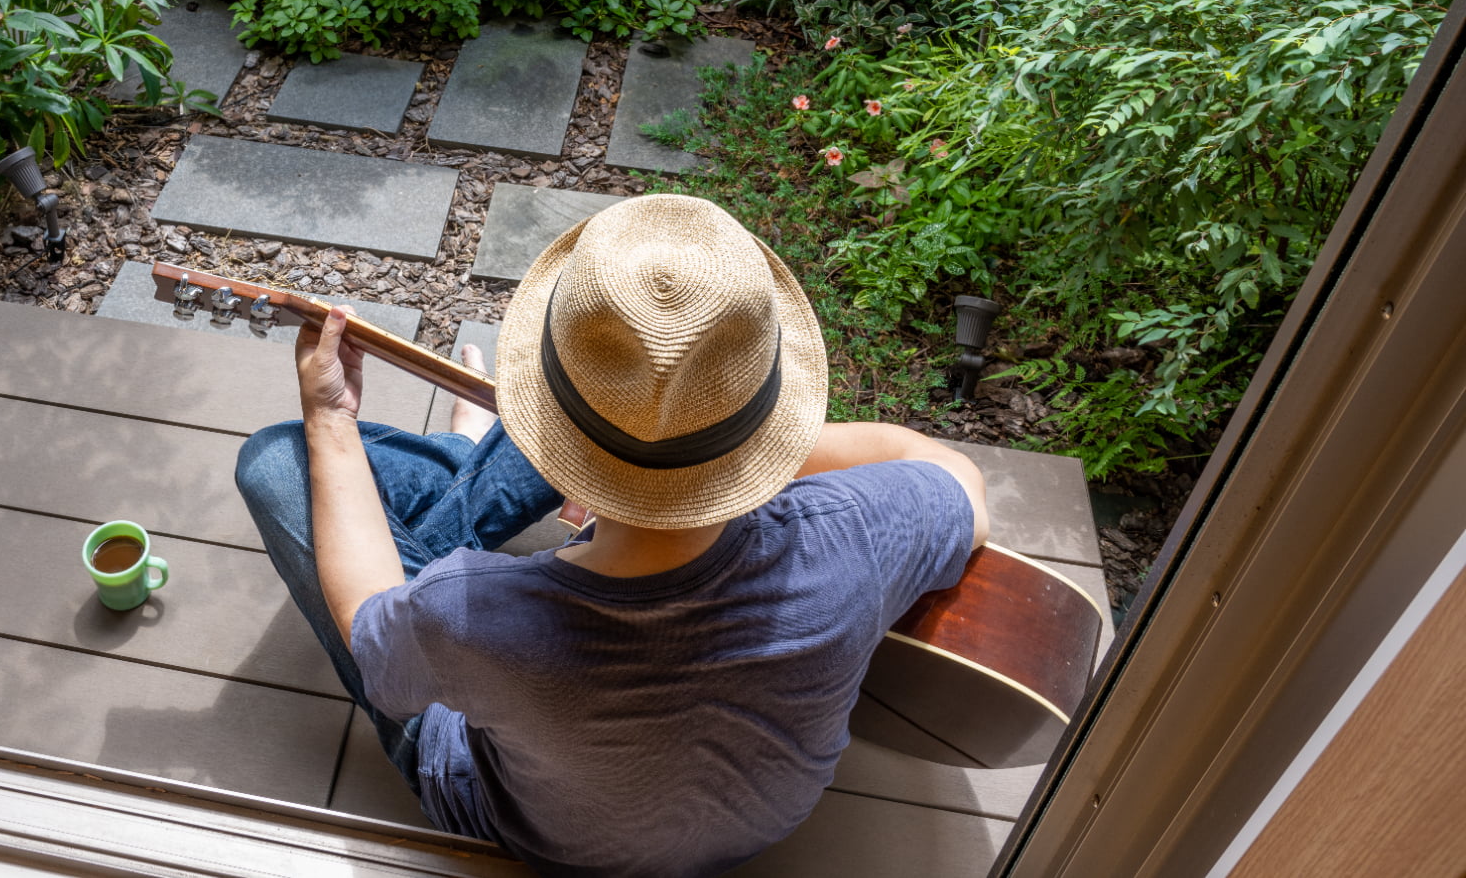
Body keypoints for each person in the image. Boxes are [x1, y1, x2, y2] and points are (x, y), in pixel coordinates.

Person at [235, 194, 989, 878]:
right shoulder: (857, 532)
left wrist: (330, 415)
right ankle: (484, 457)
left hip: (522, 827)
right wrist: (719, 442)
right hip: (755, 828)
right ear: (764, 426)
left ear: (573, 480)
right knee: (535, 446)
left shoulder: (464, 612)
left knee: (275, 461)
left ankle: (480, 456)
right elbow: (955, 476)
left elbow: (373, 635)